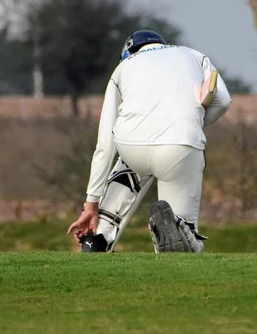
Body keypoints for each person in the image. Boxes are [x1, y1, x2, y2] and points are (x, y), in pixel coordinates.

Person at [67, 30, 231, 253]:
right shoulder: (194, 55)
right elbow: (223, 100)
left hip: (133, 148)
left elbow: (105, 146)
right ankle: (180, 231)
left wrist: (91, 204)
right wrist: (195, 122)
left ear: (128, 52)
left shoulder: (123, 68)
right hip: (180, 145)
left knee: (128, 160)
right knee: (183, 229)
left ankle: (99, 235)